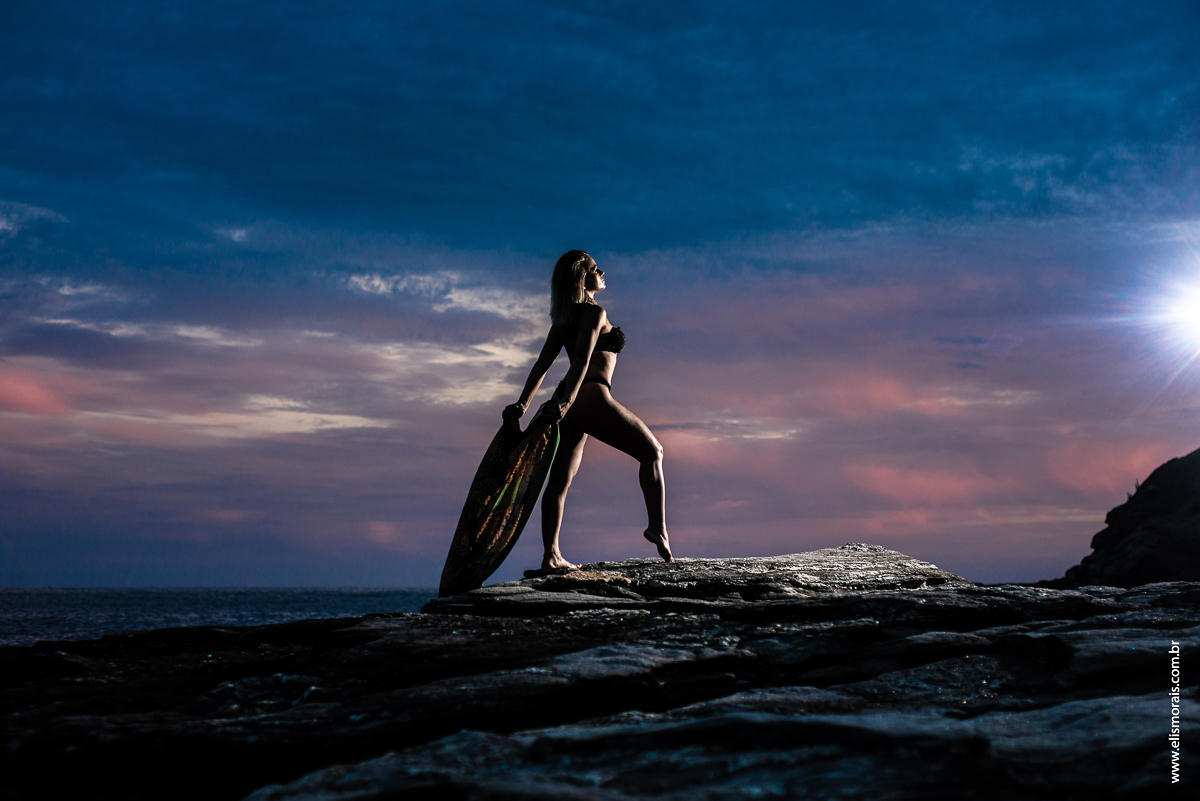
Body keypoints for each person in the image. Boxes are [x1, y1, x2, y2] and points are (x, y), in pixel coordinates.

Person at [505, 250, 674, 570]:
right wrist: (568, 402)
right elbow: (581, 361)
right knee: (653, 452)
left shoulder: (563, 320)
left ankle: (551, 556)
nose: (603, 272)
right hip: (588, 394)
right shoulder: (595, 314)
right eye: (596, 269)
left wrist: (522, 405)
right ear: (582, 277)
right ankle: (658, 528)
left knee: (559, 481)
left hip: (568, 399)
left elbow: (541, 365)